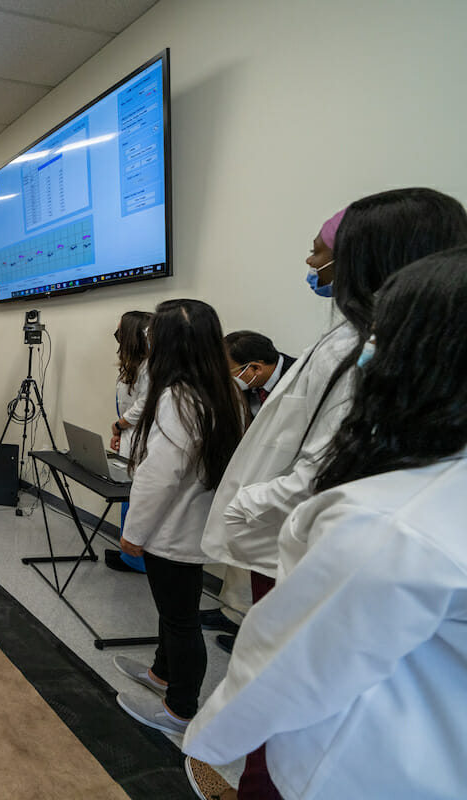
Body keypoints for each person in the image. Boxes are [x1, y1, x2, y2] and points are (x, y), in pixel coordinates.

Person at [197, 188, 467, 800]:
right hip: (298, 540)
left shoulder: (397, 524)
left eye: (322, 255)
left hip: (300, 542)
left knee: (287, 717)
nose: (313, 264)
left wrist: (248, 506)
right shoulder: (348, 340)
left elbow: (281, 672)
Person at [112, 299, 244, 738]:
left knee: (181, 619)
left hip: (171, 528)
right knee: (176, 611)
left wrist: (133, 532)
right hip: (193, 524)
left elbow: (160, 475)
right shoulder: (224, 392)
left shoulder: (179, 397)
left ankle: (181, 708)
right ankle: (162, 673)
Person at [202, 330, 299, 651]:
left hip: (282, 487)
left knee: (268, 568)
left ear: (254, 368)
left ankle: (257, 637)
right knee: (240, 556)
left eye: (232, 372)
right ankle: (233, 612)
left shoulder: (300, 379)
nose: (230, 380)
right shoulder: (250, 385)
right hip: (249, 477)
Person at [105, 309, 153, 573]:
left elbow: (144, 404)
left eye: (120, 329)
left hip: (143, 439)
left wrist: (120, 425)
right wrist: (118, 431)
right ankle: (129, 555)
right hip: (129, 436)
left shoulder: (150, 366)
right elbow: (126, 402)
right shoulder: (133, 364)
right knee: (128, 497)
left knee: (137, 498)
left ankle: (138, 560)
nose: (117, 334)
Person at [226, 331, 297, 420]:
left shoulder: (301, 377)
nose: (224, 378)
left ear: (256, 368)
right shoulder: (248, 385)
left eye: (228, 372)